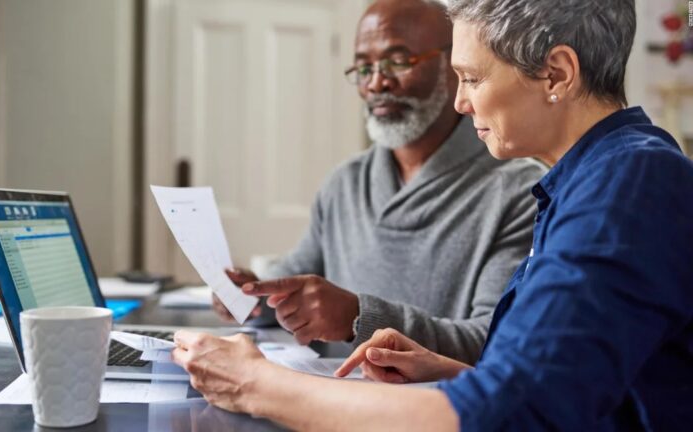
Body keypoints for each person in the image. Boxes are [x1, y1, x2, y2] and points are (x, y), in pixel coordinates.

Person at [172, 0, 693, 430]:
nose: (461, 102)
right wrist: (447, 371)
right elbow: (563, 384)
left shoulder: (628, 183)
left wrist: (258, 384)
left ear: (556, 73)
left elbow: (512, 412)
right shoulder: (587, 181)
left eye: (471, 78)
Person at [214, 0, 545, 364]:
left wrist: (359, 318)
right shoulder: (345, 183)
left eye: (398, 61)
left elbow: (494, 338)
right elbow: (296, 279)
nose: (376, 83)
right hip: (328, 391)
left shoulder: (521, 192)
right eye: (364, 67)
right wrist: (253, 295)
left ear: (453, 66)